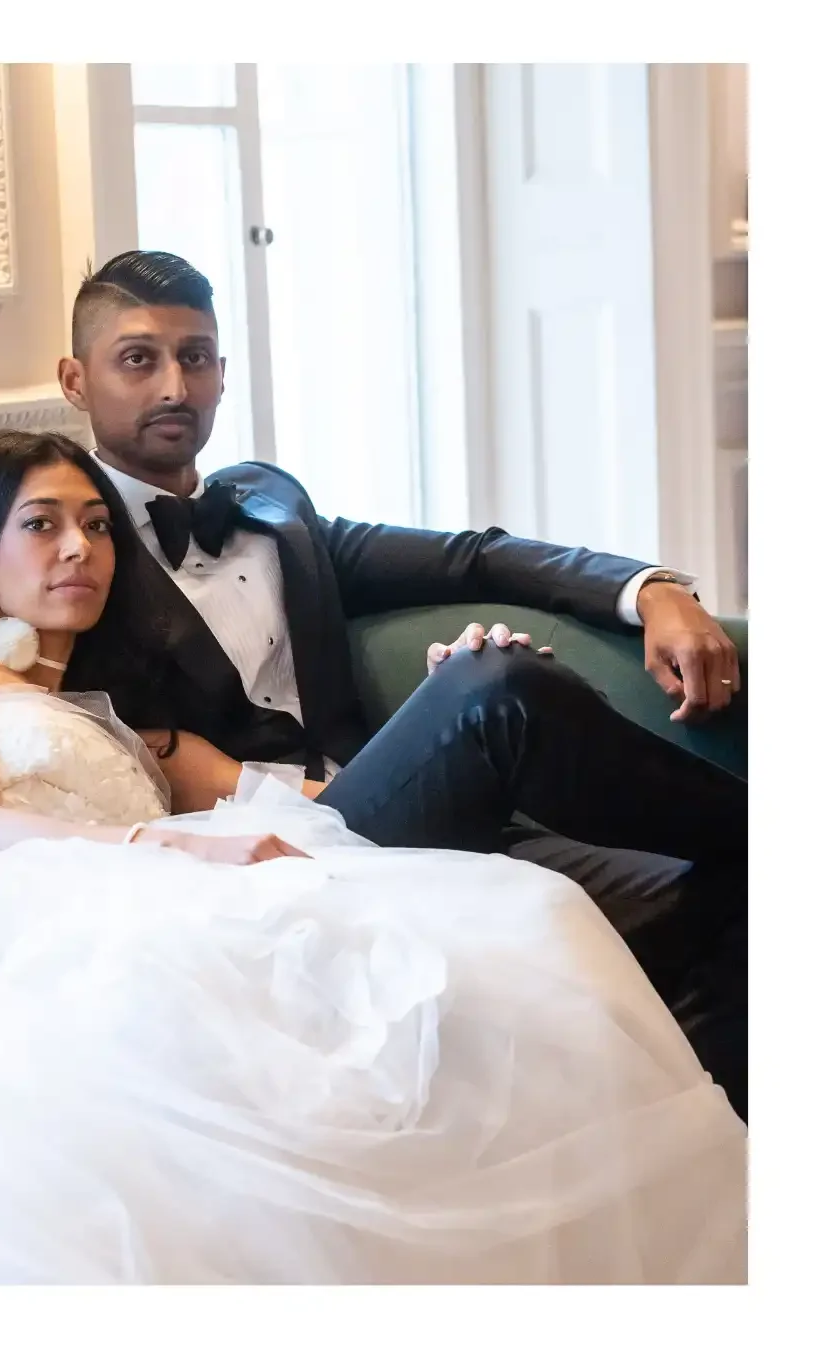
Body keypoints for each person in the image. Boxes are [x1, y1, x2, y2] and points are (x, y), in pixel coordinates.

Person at [0, 430, 745, 1285]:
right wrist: (154, 840)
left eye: (97, 526)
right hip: (78, 933)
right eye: (42, 524)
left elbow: (309, 803)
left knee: (499, 699)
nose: (79, 548)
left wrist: (433, 726)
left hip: (236, 882)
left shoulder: (143, 733)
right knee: (497, 716)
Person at [56, 250, 747, 1117]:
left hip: (407, 830)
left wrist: (653, 589)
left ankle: (711, 1154)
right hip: (264, 874)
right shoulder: (63, 550)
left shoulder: (274, 511)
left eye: (195, 357)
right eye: (138, 358)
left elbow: (477, 555)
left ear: (224, 375)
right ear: (76, 380)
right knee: (495, 685)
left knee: (746, 892)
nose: (173, 384)